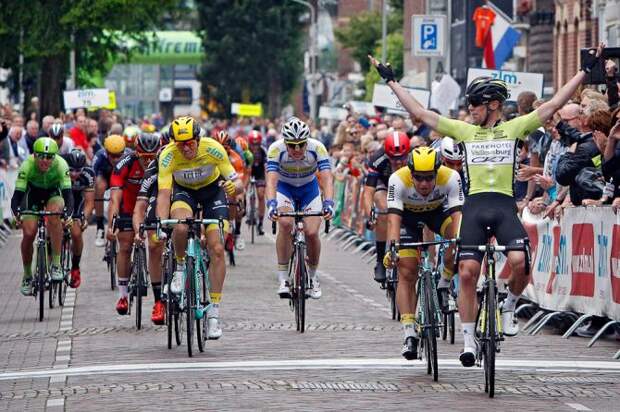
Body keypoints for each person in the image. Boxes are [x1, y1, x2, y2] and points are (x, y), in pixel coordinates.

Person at [370, 42, 604, 367]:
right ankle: (468, 341)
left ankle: (508, 306)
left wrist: (584, 71)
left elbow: (553, 105)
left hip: (504, 206)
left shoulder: (514, 128)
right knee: (466, 272)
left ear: (493, 104)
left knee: (520, 261)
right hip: (475, 209)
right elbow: (421, 114)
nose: (470, 111)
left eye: (475, 105)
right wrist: (391, 80)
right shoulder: (464, 131)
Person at [156, 116, 243, 340]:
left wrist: (235, 187)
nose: (185, 148)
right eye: (180, 143)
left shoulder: (213, 149)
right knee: (181, 227)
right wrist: (159, 222)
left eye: (190, 143)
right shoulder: (167, 155)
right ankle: (180, 268)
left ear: (198, 138)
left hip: (212, 193)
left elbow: (238, 182)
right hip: (185, 193)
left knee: (216, 248)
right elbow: (164, 194)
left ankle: (213, 313)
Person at [383, 147, 463, 359]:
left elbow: (457, 216)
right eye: (418, 178)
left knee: (458, 243)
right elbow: (393, 220)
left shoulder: (451, 177)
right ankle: (409, 333)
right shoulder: (397, 180)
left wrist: (457, 242)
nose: (424, 184)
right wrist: (392, 248)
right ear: (410, 173)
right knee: (407, 270)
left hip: (438, 213)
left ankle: (444, 281)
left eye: (429, 178)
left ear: (438, 172)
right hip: (407, 218)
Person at [265, 116, 334, 299]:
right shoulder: (275, 149)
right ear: (285, 142)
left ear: (307, 142)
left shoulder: (317, 148)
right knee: (286, 224)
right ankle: (283, 278)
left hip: (309, 189)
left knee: (311, 233)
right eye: (292, 145)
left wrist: (329, 202)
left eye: (301, 145)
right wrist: (271, 204)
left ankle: (312, 277)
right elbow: (271, 181)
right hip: (284, 188)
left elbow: (327, 178)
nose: (297, 149)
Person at [11, 138, 74, 295]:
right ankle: (27, 275)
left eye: (49, 157)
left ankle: (57, 264)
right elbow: (17, 196)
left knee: (54, 217)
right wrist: (17, 213)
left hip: (53, 193)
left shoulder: (61, 165)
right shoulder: (27, 166)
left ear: (54, 157)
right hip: (32, 195)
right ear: (34, 155)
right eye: (41, 156)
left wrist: (68, 215)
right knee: (29, 233)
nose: (45, 160)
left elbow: (68, 195)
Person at [107, 132, 160, 315]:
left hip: (151, 207)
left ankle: (159, 300)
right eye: (144, 157)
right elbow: (114, 198)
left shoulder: (162, 162)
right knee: (125, 245)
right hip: (128, 208)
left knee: (156, 246)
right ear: (136, 153)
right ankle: (122, 295)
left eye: (151, 157)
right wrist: (111, 224)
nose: (148, 161)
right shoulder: (125, 163)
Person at [363, 131, 410, 283]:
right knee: (383, 207)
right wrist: (371, 215)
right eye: (393, 159)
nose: (398, 162)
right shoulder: (377, 159)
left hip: (406, 184)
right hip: (384, 184)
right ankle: (380, 260)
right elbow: (368, 192)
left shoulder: (413, 158)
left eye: (401, 158)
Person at [133, 136, 167, 325]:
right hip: (158, 196)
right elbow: (140, 206)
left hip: (182, 194)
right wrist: (139, 231)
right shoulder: (153, 171)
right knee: (154, 246)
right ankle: (158, 301)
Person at [61, 149, 95, 289]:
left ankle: (75, 267)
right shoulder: (59, 169)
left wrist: (84, 218)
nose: (74, 174)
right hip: (60, 199)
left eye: (78, 170)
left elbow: (89, 202)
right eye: (71, 170)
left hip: (76, 203)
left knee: (76, 233)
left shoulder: (88, 175)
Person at [214, 130, 247, 251]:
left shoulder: (236, 158)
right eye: (220, 147)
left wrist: (240, 197)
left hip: (231, 181)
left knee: (236, 200)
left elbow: (239, 182)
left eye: (226, 148)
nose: (222, 150)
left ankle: (234, 228)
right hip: (214, 182)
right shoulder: (209, 155)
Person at [92, 134, 127, 247]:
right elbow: (91, 177)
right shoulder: (99, 156)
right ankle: (100, 227)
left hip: (121, 178)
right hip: (105, 177)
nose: (116, 159)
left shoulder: (129, 155)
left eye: (119, 156)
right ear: (106, 153)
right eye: (112, 156)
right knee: (99, 185)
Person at [248, 130, 267, 235]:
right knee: (246, 191)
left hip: (259, 173)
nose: (255, 147)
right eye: (253, 144)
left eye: (257, 144)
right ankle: (249, 209)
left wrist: (267, 181)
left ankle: (260, 222)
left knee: (260, 194)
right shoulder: (245, 151)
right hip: (249, 171)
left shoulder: (263, 151)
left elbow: (266, 167)